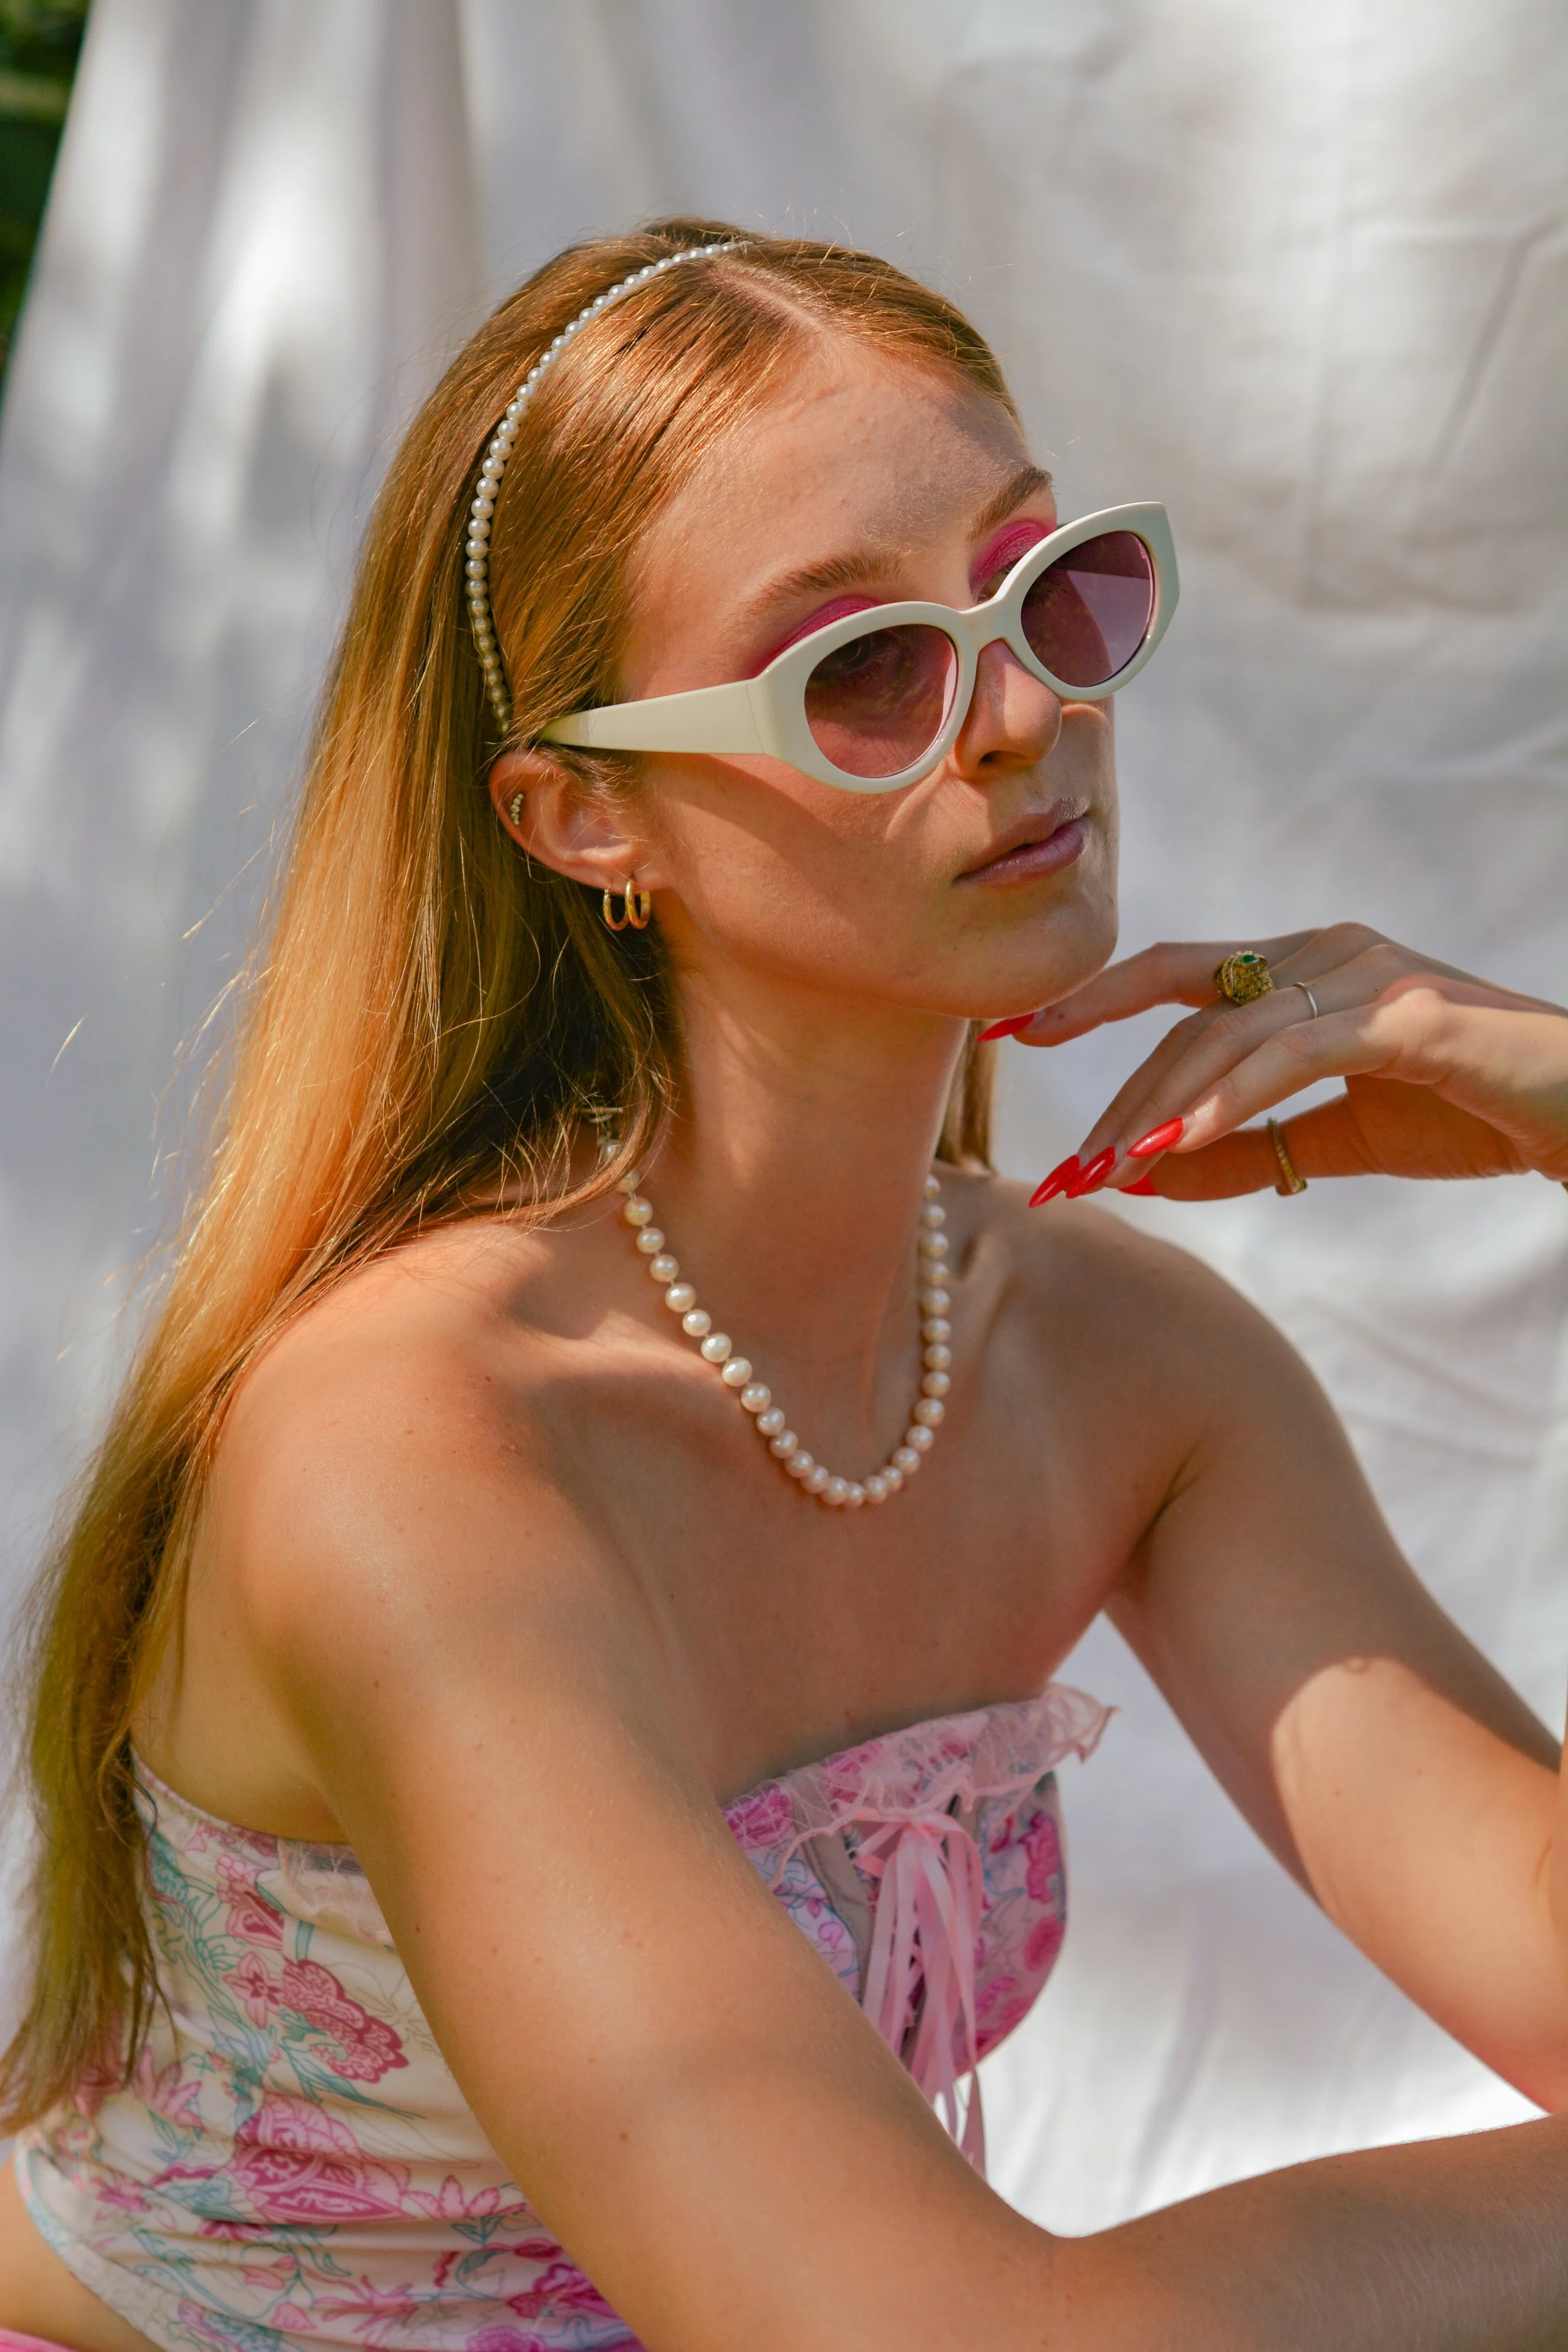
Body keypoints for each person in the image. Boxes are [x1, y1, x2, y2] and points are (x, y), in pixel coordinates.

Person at [1, 218, 1566, 2352]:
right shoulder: (415, 1450)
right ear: (580, 819)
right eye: (864, 670)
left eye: (1054, 588)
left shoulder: (1113, 1359)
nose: (1022, 715)